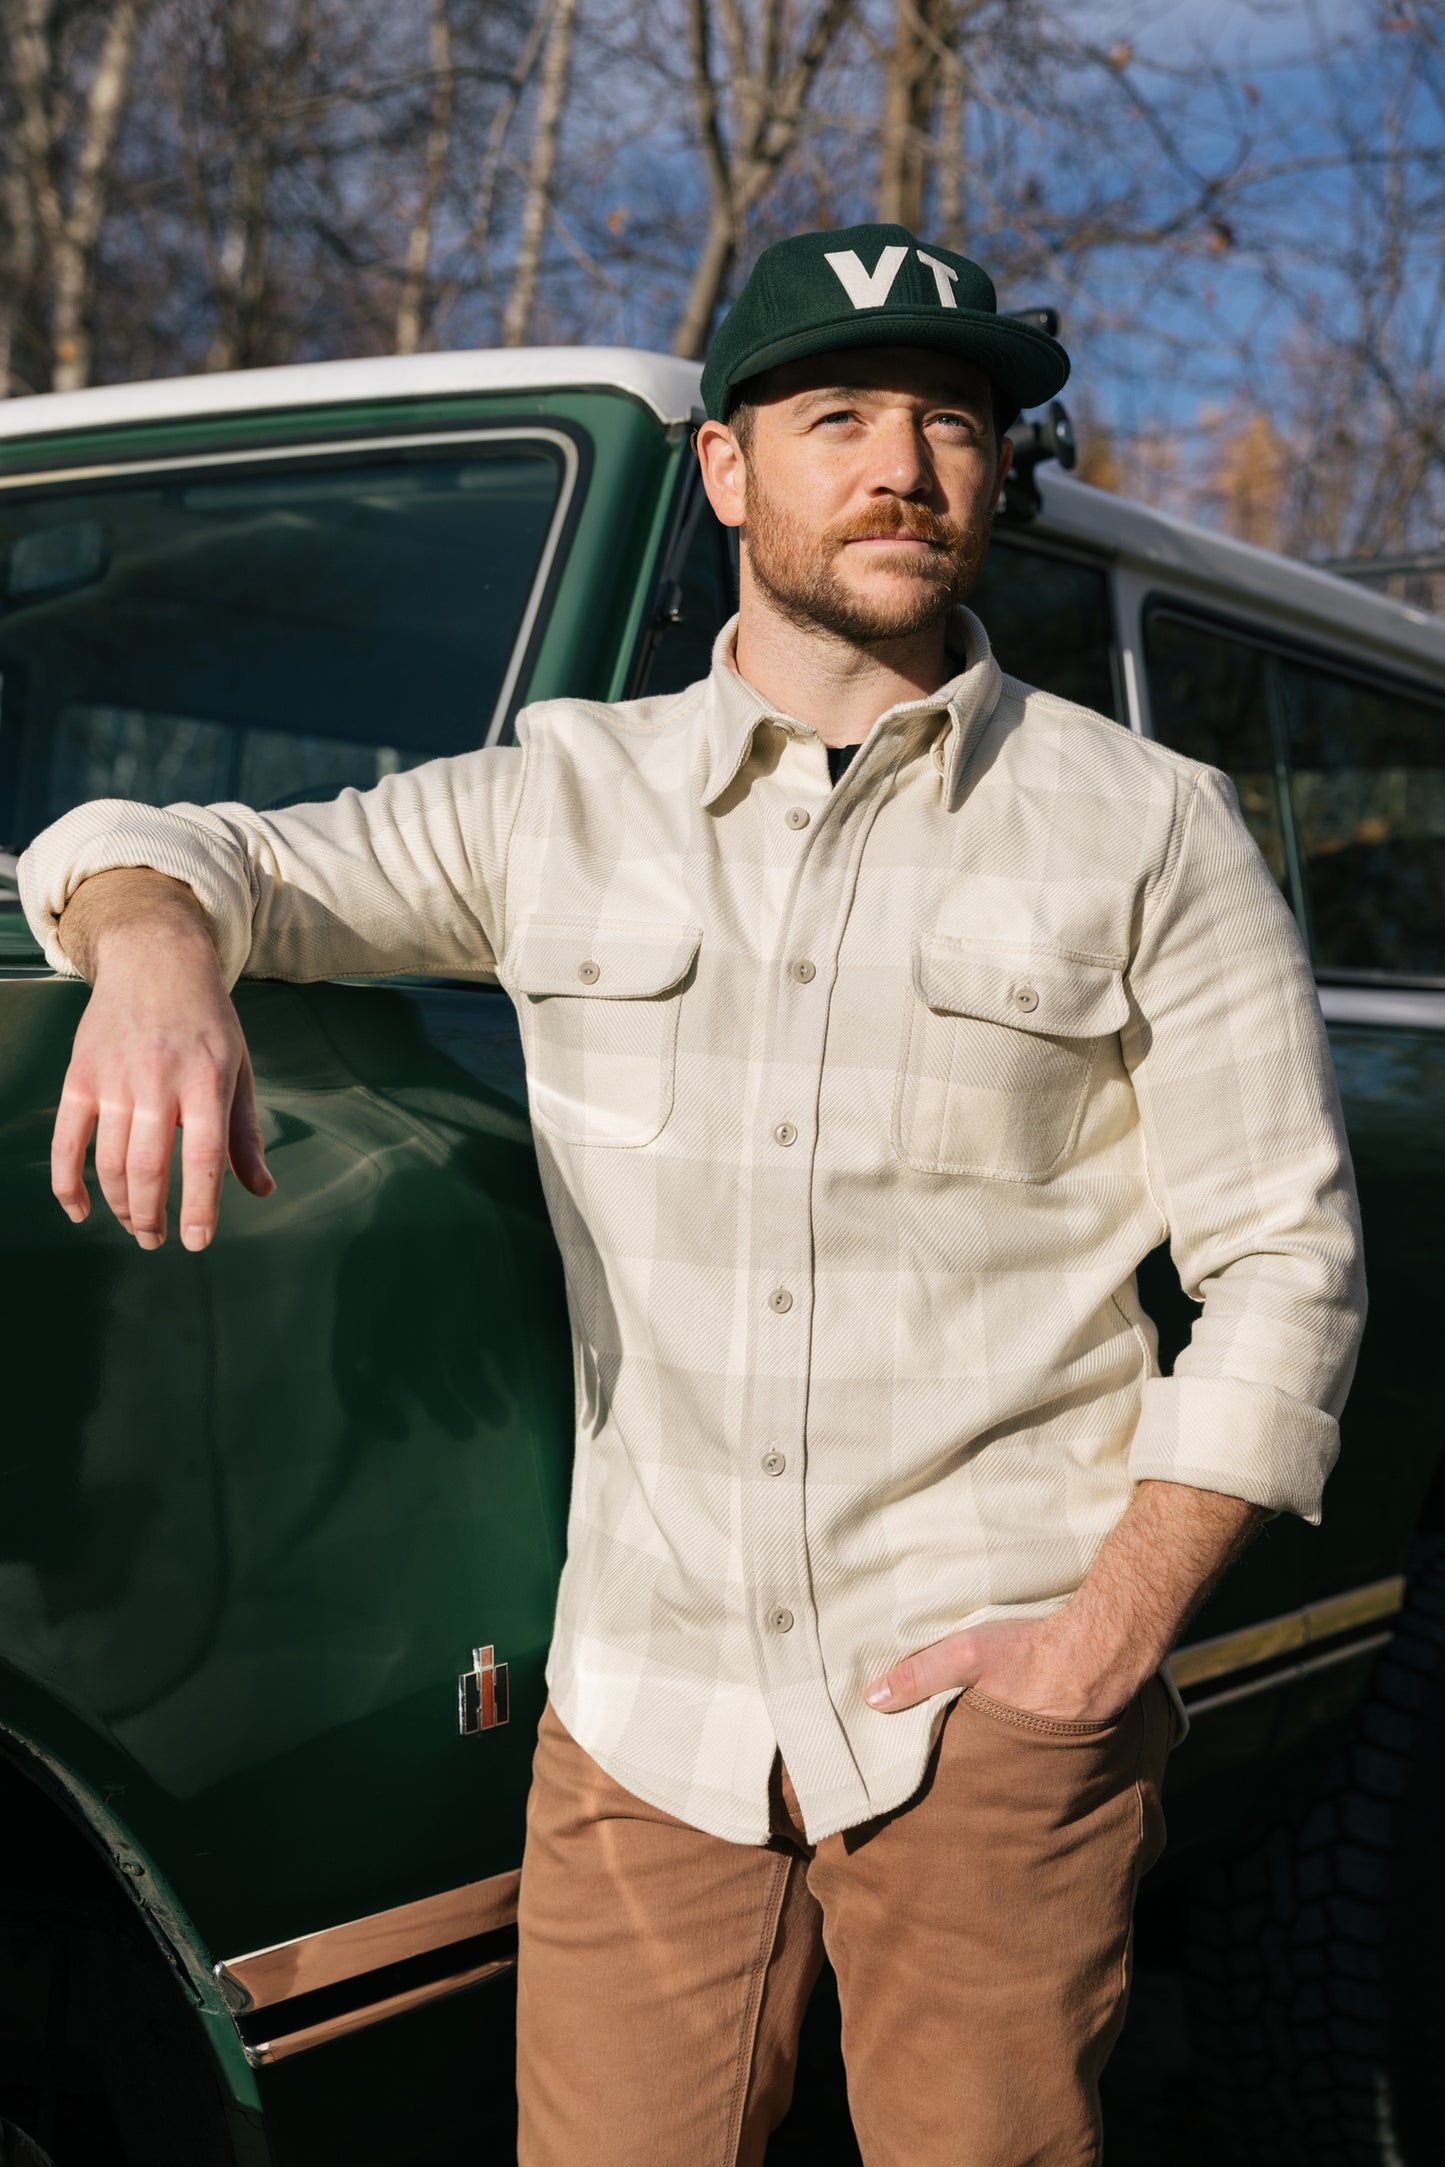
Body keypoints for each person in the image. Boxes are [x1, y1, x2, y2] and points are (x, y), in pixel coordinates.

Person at [18, 223, 1365, 2167]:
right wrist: (150, 951)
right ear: (729, 471)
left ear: (993, 473)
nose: (904, 464)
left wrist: (1096, 1650)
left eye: (953, 425)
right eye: (838, 417)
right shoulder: (557, 794)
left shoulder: (1148, 824)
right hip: (645, 1719)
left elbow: (1289, 1267)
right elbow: (192, 844)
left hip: (991, 1704)